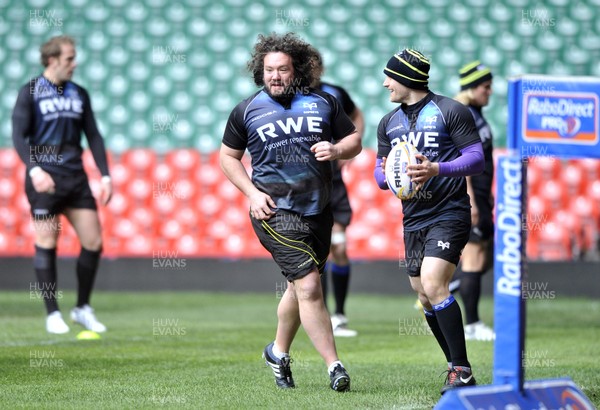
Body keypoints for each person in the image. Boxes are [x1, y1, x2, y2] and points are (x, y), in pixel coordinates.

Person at [220, 32, 361, 392]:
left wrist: (336, 149)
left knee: (297, 288)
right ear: (260, 71)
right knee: (310, 286)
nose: (275, 76)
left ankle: (277, 351)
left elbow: (355, 141)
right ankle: (335, 367)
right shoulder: (246, 110)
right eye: (269, 70)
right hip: (273, 211)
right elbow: (227, 157)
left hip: (318, 210)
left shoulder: (324, 102)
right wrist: (251, 193)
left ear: (296, 70)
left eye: (282, 69)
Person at [374, 49, 484, 395]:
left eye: (389, 76)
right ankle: (456, 367)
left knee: (435, 283)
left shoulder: (451, 110)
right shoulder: (387, 123)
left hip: (449, 211)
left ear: (406, 78)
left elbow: (476, 159)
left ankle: (462, 369)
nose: (384, 82)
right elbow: (379, 173)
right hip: (413, 218)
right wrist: (391, 176)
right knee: (423, 295)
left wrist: (436, 168)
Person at [12, 35, 112, 334]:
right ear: (52, 59)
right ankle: (52, 313)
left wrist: (105, 175)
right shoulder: (30, 92)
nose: (74, 63)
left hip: (75, 178)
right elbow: (19, 136)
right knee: (47, 243)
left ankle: (82, 308)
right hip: (45, 181)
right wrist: (34, 170)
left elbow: (93, 135)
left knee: (93, 242)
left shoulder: (79, 93)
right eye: (69, 58)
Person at [311, 49, 365, 338]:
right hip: (305, 184)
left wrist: (347, 150)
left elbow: (357, 116)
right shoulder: (291, 98)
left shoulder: (334, 94)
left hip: (332, 179)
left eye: (315, 65)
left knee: (339, 247)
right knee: (318, 252)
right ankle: (318, 313)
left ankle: (339, 315)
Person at [453, 61, 495, 341]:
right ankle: (472, 324)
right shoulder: (465, 114)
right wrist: (471, 199)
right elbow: (461, 158)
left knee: (485, 256)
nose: (489, 92)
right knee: (474, 255)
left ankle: (447, 285)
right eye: (485, 87)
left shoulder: (477, 114)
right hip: (472, 194)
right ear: (471, 87)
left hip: (481, 192)